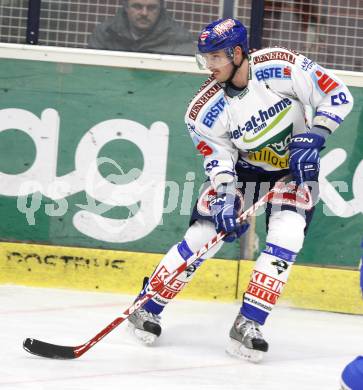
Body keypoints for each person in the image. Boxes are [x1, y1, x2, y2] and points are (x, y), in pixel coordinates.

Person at [128, 18, 354, 362]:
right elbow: (219, 159)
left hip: (295, 168)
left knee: (289, 235)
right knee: (205, 234)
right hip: (243, 172)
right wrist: (223, 197)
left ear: (237, 53)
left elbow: (337, 94)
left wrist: (318, 133)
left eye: (215, 57)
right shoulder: (202, 110)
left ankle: (249, 323)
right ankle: (148, 304)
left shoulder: (280, 65)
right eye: (205, 58)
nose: (208, 65)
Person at [88, 0, 194, 55]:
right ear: (126, 7)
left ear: (160, 9)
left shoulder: (179, 38)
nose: (144, 13)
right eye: (137, 6)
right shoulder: (105, 33)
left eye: (151, 7)